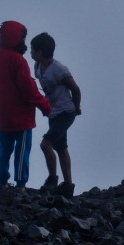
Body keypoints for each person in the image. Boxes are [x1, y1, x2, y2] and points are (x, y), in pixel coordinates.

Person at [0, 20, 51, 190]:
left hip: (2, 114)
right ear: (16, 38)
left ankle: (2, 181)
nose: (24, 42)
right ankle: (20, 183)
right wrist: (45, 106)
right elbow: (28, 89)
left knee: (4, 148)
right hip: (21, 116)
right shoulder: (18, 61)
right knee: (22, 149)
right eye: (22, 38)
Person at [30, 33, 82, 197]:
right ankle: (68, 185)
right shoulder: (37, 67)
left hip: (66, 112)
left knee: (45, 145)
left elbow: (75, 89)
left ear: (40, 52)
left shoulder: (59, 69)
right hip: (53, 112)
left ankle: (52, 179)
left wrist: (76, 106)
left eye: (33, 50)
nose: (30, 52)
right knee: (61, 147)